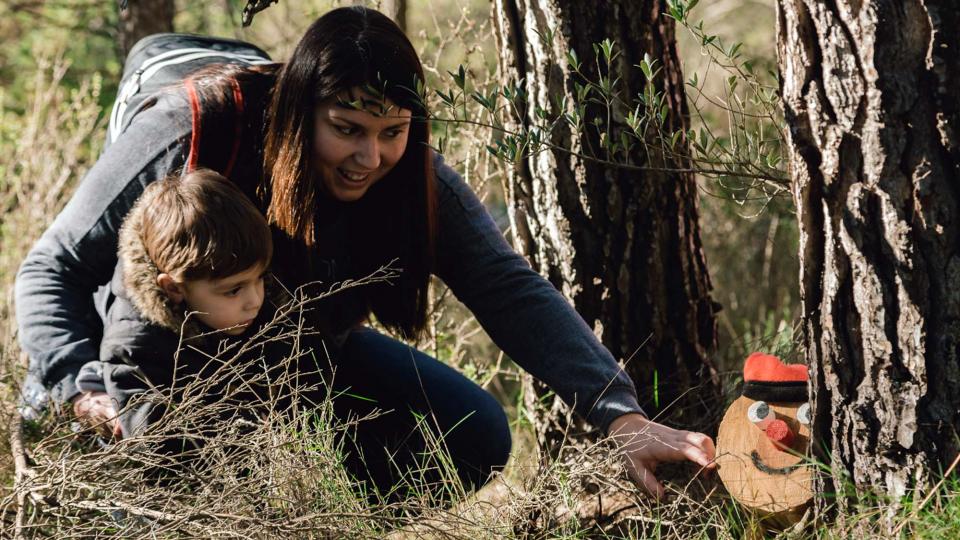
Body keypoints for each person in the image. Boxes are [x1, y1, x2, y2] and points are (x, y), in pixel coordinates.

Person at [15, 6, 715, 500]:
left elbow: (506, 285)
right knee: (128, 460)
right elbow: (52, 269)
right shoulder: (189, 126)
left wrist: (618, 414)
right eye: (345, 128)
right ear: (298, 111)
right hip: (154, 348)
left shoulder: (410, 179)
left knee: (474, 435)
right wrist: (81, 387)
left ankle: (303, 522)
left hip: (287, 342)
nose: (368, 157)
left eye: (391, 131)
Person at [73, 168, 277, 439]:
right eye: (233, 290)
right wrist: (247, 427)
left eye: (260, 278)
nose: (255, 301)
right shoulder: (136, 345)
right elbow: (156, 445)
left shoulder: (245, 310)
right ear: (174, 288)